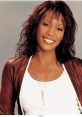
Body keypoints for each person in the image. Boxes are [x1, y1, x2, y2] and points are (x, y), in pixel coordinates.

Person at [0, 0, 82, 115]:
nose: (51, 33)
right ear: (36, 25)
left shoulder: (78, 68)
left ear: (64, 35)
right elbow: (4, 112)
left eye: (59, 28)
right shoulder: (14, 67)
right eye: (46, 24)